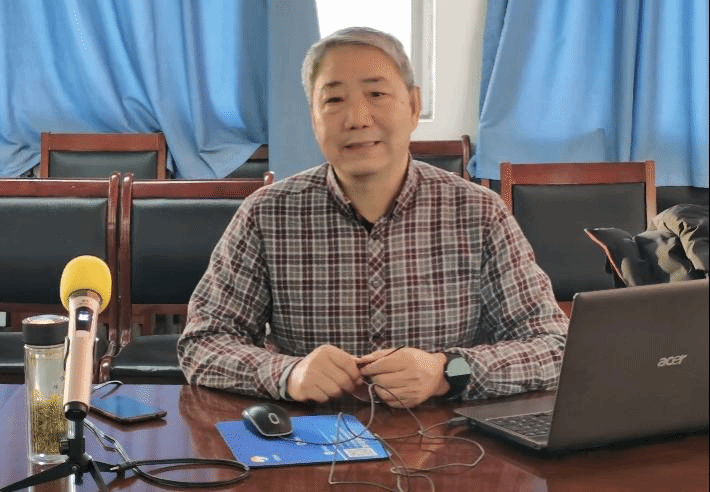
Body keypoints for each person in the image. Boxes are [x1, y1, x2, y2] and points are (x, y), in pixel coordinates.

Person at [177, 27, 568, 408]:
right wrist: (287, 373)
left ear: (413, 106)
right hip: (310, 435)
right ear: (313, 118)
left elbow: (553, 345)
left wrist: (445, 371)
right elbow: (203, 342)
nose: (357, 118)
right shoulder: (266, 214)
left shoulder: (479, 212)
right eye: (333, 100)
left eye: (376, 94)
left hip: (447, 436)